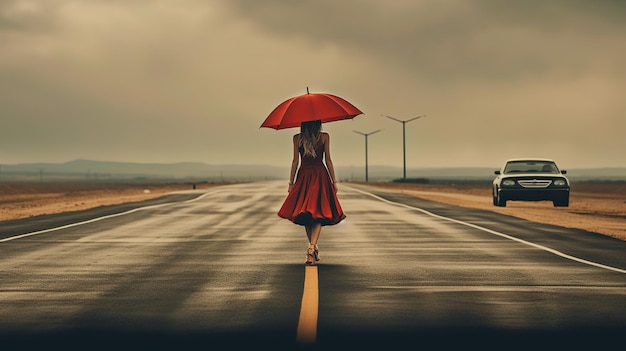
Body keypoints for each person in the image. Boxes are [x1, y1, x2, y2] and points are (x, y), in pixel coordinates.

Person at [277, 119, 346, 265]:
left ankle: (312, 248)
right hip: (320, 175)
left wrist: (291, 182)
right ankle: (312, 247)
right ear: (318, 123)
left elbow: (295, 161)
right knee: (317, 213)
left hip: (304, 176)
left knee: (307, 214)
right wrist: (334, 182)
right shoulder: (325, 137)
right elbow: (328, 160)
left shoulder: (297, 138)